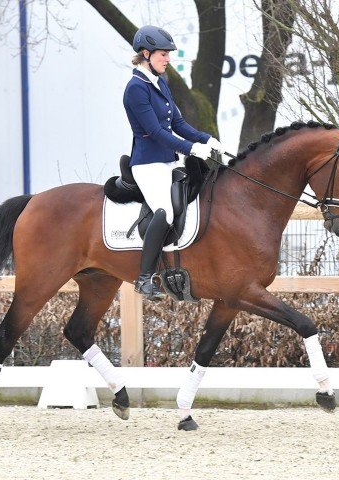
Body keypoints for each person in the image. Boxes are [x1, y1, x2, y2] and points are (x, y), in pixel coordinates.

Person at [123, 25, 224, 300]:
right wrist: (193, 149)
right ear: (146, 53)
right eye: (163, 54)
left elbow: (177, 123)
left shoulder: (160, 82)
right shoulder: (135, 89)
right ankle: (144, 279)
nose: (168, 59)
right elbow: (156, 132)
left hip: (168, 161)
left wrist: (207, 139)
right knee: (165, 212)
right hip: (147, 164)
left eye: (168, 55)